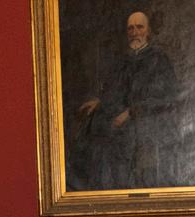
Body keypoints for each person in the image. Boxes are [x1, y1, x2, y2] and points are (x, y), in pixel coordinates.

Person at [69, 11, 180, 190]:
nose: (135, 32)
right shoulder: (123, 61)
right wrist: (100, 102)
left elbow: (166, 98)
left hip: (149, 124)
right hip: (123, 125)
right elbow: (116, 92)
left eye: (139, 27)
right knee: (92, 136)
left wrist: (131, 112)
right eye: (130, 28)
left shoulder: (159, 60)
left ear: (148, 31)